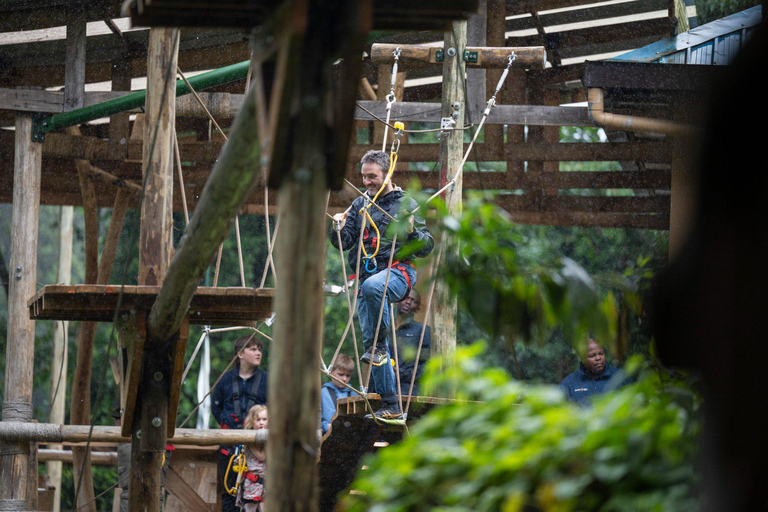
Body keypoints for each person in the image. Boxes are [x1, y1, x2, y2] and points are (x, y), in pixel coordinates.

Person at [330, 150, 434, 420]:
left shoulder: (406, 204)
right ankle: (390, 404)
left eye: (372, 176)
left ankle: (377, 351)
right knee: (373, 344)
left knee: (374, 289)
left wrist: (411, 231)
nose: (367, 182)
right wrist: (339, 228)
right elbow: (344, 243)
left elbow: (426, 246)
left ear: (387, 173)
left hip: (399, 272)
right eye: (364, 177)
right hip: (368, 279)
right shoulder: (360, 205)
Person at [212, 334, 268, 512]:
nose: (258, 353)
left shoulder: (267, 381)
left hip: (259, 447)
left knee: (261, 493)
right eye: (253, 349)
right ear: (240, 354)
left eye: (259, 349)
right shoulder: (225, 380)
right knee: (229, 491)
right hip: (230, 447)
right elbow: (216, 408)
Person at [559, 338, 628, 406]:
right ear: (582, 358)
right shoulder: (569, 383)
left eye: (601, 354)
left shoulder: (620, 377)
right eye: (592, 355)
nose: (598, 358)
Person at [394, 289, 431, 395]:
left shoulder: (422, 330)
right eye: (406, 298)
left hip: (409, 391)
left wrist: (401, 374)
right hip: (384, 390)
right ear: (397, 300)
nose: (408, 302)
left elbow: (426, 367)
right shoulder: (386, 329)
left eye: (414, 301)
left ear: (417, 308)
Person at [236, 405, 268, 512]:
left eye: (264, 419)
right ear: (252, 422)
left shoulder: (269, 437)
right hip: (252, 484)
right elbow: (262, 456)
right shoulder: (249, 439)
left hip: (267, 483)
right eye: (258, 420)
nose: (261, 423)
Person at [320, 354, 355, 434]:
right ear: (331, 372)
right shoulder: (323, 392)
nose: (344, 379)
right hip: (327, 433)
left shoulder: (353, 393)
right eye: (341, 374)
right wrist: (325, 426)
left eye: (348, 376)